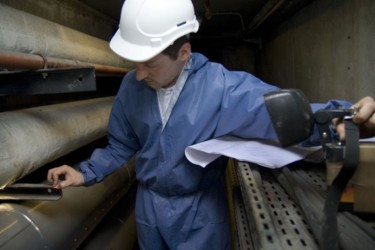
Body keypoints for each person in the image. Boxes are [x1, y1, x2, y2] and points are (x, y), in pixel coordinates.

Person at [47, 0, 375, 249]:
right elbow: (121, 144)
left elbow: (278, 114)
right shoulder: (133, 87)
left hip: (199, 214)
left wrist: (339, 118)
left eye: (149, 64)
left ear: (184, 53)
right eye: (136, 63)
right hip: (148, 209)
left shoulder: (220, 88)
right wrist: (84, 172)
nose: (139, 74)